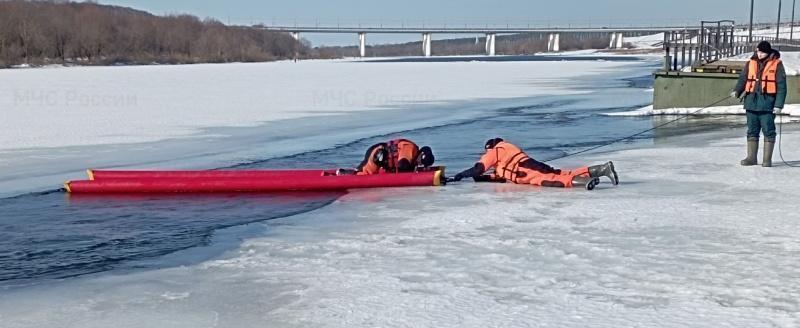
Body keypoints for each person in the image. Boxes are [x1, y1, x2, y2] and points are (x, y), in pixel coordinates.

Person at [449, 138, 618, 190]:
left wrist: (462, 174)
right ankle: (602, 169)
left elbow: (479, 168)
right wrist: (480, 179)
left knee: (553, 181)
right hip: (530, 164)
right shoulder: (507, 148)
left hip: (526, 172)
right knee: (561, 173)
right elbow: (499, 176)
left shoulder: (495, 151)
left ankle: (585, 182)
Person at [732, 41, 787, 168]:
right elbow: (743, 79)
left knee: (768, 130)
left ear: (767, 52)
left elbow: (782, 87)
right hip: (751, 102)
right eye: (758, 51)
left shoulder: (777, 64)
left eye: (762, 52)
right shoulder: (750, 63)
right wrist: (737, 91)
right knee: (752, 130)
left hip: (767, 104)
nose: (759, 54)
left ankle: (766, 160)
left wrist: (778, 105)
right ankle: (751, 158)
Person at [337, 138, 435, 175]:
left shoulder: (413, 154)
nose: (419, 164)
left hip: (380, 155)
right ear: (420, 155)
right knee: (364, 174)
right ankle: (342, 174)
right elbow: (402, 165)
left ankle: (349, 172)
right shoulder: (410, 149)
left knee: (361, 170)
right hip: (377, 155)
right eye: (421, 162)